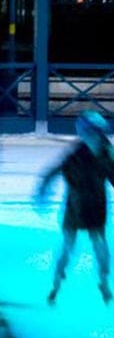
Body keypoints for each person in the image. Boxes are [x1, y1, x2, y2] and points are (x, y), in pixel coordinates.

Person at [36, 110, 114, 305]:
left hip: (93, 205)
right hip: (77, 205)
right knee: (69, 245)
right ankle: (56, 284)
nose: (94, 137)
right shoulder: (79, 154)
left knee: (98, 243)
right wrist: (44, 189)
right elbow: (53, 172)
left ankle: (103, 281)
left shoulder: (105, 152)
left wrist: (44, 188)